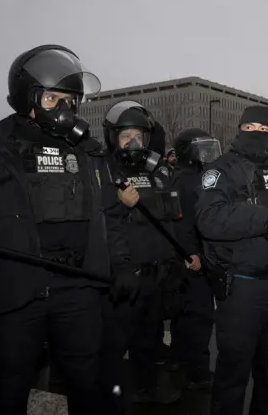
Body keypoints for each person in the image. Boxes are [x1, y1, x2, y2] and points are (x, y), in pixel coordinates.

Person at [0, 44, 135, 415]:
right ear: (26, 98)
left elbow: (110, 215)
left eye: (69, 100)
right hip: (15, 292)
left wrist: (122, 263)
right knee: (9, 387)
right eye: (52, 98)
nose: (64, 109)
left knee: (87, 382)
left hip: (79, 289)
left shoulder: (90, 153)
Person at [195, 105, 268, 415]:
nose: (257, 135)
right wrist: (267, 219)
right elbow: (209, 219)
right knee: (233, 370)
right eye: (250, 128)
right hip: (241, 289)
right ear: (239, 129)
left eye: (264, 130)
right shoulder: (220, 170)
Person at [99, 100, 182, 410]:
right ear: (113, 137)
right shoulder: (105, 170)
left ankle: (145, 387)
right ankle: (112, 395)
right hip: (125, 274)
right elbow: (103, 222)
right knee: (116, 341)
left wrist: (175, 261)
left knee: (149, 337)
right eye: (126, 136)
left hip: (156, 271)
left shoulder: (158, 170)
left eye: (139, 136)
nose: (134, 143)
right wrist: (122, 205)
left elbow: (170, 219)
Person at [170, 127, 222, 390]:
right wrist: (193, 253)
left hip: (192, 255)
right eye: (201, 148)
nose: (207, 153)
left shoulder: (192, 177)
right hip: (195, 258)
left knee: (183, 312)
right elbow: (183, 222)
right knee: (200, 315)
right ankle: (198, 373)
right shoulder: (187, 180)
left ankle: (178, 358)